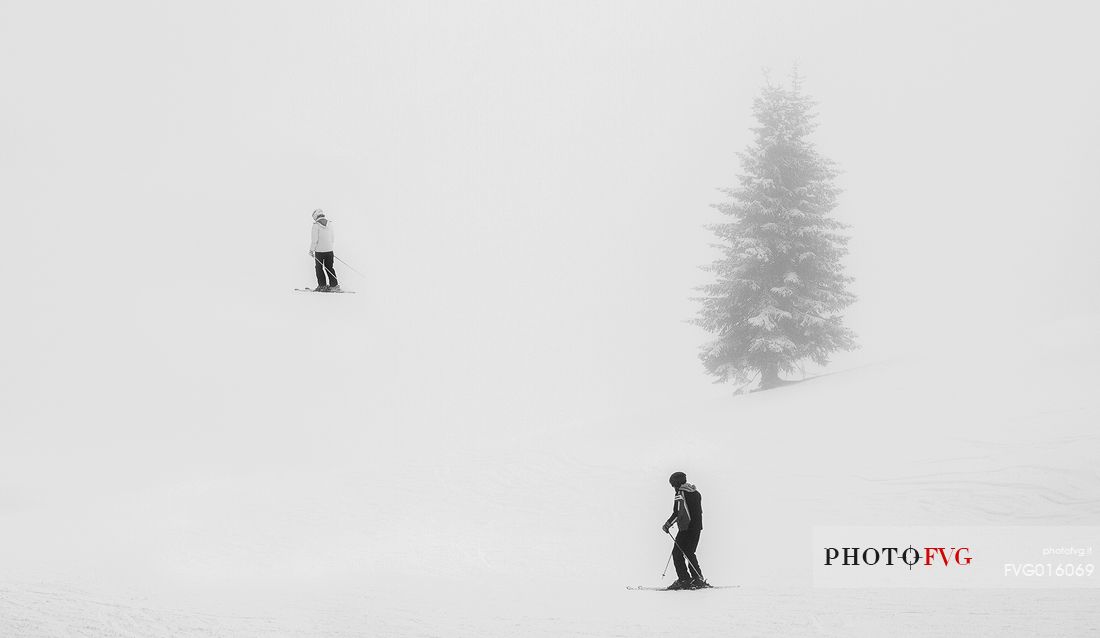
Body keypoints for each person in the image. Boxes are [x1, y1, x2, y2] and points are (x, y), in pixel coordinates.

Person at [661, 471, 709, 589]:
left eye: (673, 485)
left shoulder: (680, 493)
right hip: (697, 528)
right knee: (689, 552)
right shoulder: (696, 492)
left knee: (677, 553)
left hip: (685, 529)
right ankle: (698, 579)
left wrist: (667, 525)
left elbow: (678, 513)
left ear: (676, 484)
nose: (673, 488)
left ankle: (684, 580)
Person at [309, 209, 340, 292]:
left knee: (319, 268)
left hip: (319, 252)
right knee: (329, 267)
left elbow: (314, 240)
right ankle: (334, 286)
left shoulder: (315, 225)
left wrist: (311, 250)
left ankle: (322, 286)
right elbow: (332, 238)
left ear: (315, 216)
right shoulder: (330, 224)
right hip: (330, 251)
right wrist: (329, 247)